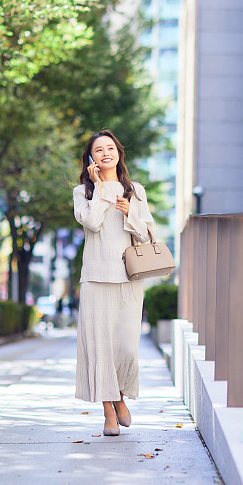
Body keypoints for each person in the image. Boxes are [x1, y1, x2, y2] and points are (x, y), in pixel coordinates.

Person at [73, 129, 154, 436]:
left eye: (110, 148)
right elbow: (92, 224)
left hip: (129, 277)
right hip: (96, 278)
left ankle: (121, 396)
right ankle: (109, 409)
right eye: (98, 150)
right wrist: (100, 189)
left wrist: (130, 211)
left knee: (125, 347)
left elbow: (145, 234)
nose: (105, 153)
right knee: (100, 348)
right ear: (91, 159)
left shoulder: (136, 190)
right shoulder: (83, 192)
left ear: (119, 153)